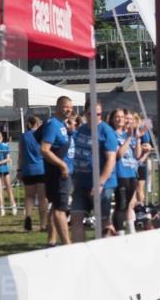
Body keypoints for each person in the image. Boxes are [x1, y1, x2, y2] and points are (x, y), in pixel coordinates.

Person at [70, 101, 119, 241]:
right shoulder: (81, 130)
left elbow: (111, 160)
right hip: (81, 183)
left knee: (103, 220)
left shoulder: (106, 131)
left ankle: (108, 247)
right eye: (91, 114)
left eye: (98, 114)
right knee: (76, 217)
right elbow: (77, 153)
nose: (96, 117)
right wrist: (74, 176)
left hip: (103, 184)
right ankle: (79, 251)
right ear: (85, 114)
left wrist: (100, 182)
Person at [39, 96, 74, 246]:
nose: (69, 110)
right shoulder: (53, 125)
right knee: (60, 209)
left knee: (55, 207)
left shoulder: (62, 125)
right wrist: (62, 165)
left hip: (62, 173)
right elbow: (44, 149)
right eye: (66, 107)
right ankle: (67, 244)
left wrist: (71, 132)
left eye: (71, 108)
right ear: (58, 107)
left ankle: (51, 241)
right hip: (58, 174)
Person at [111, 109, 140, 234]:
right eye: (117, 117)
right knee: (121, 205)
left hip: (131, 173)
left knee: (129, 204)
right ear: (112, 119)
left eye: (122, 117)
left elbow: (137, 154)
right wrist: (129, 138)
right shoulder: (112, 134)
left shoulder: (127, 134)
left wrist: (137, 139)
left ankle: (130, 230)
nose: (120, 119)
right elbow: (118, 154)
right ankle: (120, 233)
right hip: (120, 174)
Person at [19, 116, 48, 232]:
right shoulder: (43, 135)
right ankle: (43, 224)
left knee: (29, 196)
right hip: (41, 168)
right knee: (42, 198)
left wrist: (19, 170)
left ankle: (28, 217)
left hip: (28, 169)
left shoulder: (24, 136)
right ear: (37, 123)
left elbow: (20, 155)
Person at [0, 131, 17, 217]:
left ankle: (13, 205)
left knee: (8, 188)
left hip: (4, 169)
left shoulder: (4, 146)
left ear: (0, 138)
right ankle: (2, 208)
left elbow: (8, 159)